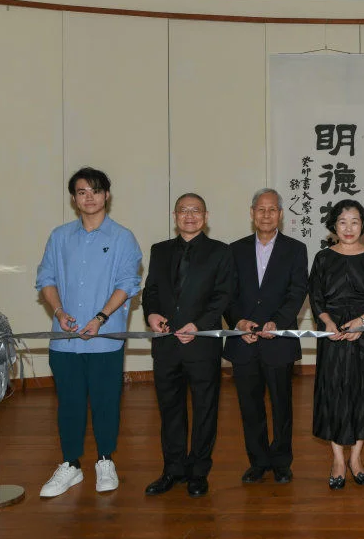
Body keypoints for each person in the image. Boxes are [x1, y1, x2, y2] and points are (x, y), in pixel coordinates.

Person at [35, 166, 142, 498]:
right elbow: (46, 279)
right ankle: (70, 465)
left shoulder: (123, 237)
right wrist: (59, 311)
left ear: (106, 195)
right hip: (64, 341)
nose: (89, 197)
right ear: (74, 198)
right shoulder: (59, 236)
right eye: (82, 192)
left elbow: (128, 283)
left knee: (106, 402)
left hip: (104, 341)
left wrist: (100, 317)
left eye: (96, 191)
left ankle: (105, 460)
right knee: (68, 403)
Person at [142, 193, 235, 497]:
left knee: (205, 409)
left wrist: (200, 325)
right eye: (184, 210)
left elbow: (224, 295)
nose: (190, 215)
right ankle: (173, 469)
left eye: (196, 211)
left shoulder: (220, 252)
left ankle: (198, 471)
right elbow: (151, 290)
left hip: (201, 344)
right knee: (170, 410)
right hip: (167, 345)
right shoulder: (160, 250)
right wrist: (152, 314)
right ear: (175, 215)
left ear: (205, 216)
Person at [225, 188, 308, 484]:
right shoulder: (233, 250)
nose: (266, 214)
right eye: (260, 209)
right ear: (251, 213)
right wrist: (238, 321)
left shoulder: (296, 249)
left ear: (281, 215)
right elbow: (227, 294)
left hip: (278, 340)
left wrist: (278, 321)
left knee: (282, 405)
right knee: (250, 406)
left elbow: (297, 291)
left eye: (272, 209)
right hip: (243, 341)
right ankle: (258, 461)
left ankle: (282, 462)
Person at [308, 200, 364, 490]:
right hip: (331, 334)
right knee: (334, 392)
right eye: (342, 221)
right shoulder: (322, 258)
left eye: (354, 221)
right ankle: (337, 460)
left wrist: (362, 322)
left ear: (363, 225)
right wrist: (327, 323)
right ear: (334, 224)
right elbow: (316, 296)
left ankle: (356, 458)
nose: (348, 228)